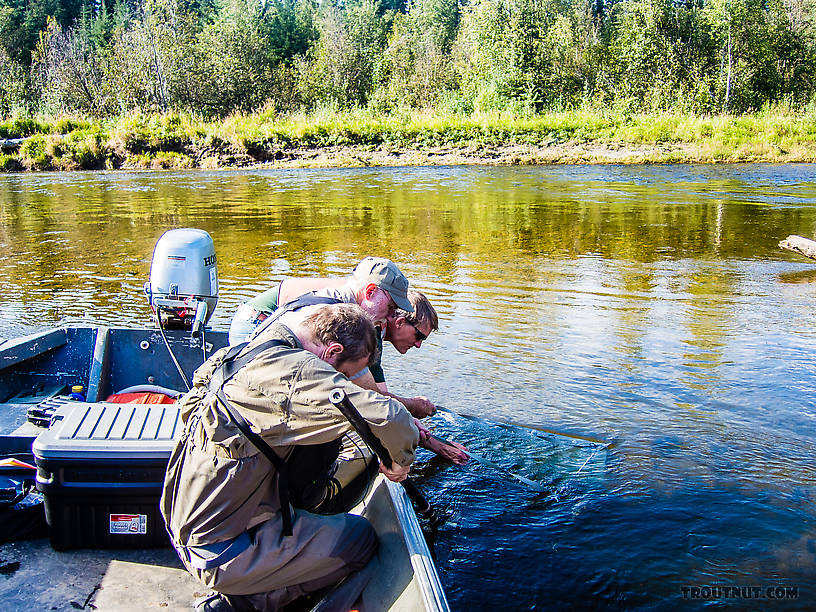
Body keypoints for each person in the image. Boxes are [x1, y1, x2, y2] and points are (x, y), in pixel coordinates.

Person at [161, 304, 419, 612]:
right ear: (332, 351)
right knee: (361, 540)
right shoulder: (295, 373)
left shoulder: (250, 350)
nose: (342, 380)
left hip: (187, 529)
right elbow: (391, 417)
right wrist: (399, 463)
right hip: (223, 552)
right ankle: (246, 604)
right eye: (345, 374)